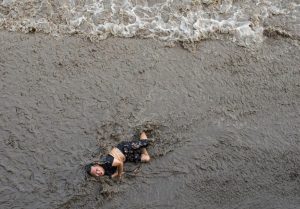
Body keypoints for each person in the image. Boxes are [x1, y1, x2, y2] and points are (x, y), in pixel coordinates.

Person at [85, 131, 151, 179]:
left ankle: (142, 131)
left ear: (97, 165)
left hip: (124, 148)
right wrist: (115, 175)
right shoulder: (106, 174)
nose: (98, 173)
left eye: (97, 170)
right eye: (96, 174)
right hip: (126, 158)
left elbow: (120, 164)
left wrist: (119, 175)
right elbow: (119, 172)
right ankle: (141, 146)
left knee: (146, 143)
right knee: (147, 158)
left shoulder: (107, 161)